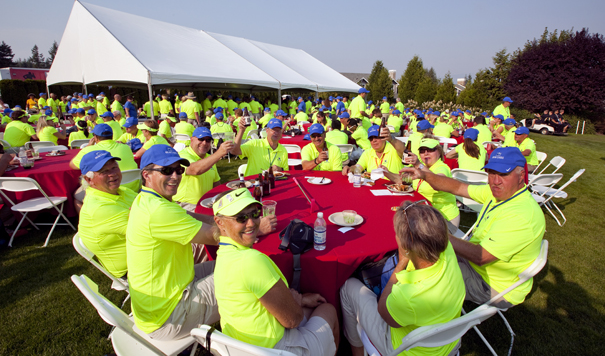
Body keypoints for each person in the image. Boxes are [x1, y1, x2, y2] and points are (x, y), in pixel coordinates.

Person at [401, 146, 545, 308]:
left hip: (492, 285)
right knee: (420, 253)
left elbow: (481, 257)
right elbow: (457, 187)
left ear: (521, 176)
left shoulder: (521, 214)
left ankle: (405, 312)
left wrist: (435, 233)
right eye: (491, 172)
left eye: (504, 174)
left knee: (423, 272)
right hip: (477, 266)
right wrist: (425, 175)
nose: (495, 181)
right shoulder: (500, 193)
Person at [213, 188, 339, 355]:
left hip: (240, 347)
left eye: (254, 213)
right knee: (328, 309)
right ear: (219, 222)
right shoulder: (252, 260)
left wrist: (298, 299)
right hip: (275, 349)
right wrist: (294, 300)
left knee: (311, 309)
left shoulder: (223, 254)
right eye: (241, 218)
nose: (251, 223)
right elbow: (293, 319)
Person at [340, 200, 465, 356]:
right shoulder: (447, 250)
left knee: (347, 286)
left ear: (406, 246)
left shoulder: (408, 296)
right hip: (448, 343)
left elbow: (384, 312)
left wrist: (401, 263)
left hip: (403, 349)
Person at [126, 145, 220, 340]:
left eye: (179, 170)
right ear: (146, 175)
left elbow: (196, 217)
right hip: (171, 316)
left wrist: (230, 219)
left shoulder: (149, 199)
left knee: (230, 263)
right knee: (248, 274)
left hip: (165, 299)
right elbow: (215, 235)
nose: (176, 176)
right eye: (166, 170)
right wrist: (253, 226)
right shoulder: (158, 210)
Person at [78, 150, 137, 278]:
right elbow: (148, 229)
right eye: (104, 171)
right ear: (89, 179)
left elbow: (155, 209)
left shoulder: (122, 191)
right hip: (133, 268)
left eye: (115, 167)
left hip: (146, 253)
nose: (113, 174)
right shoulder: (99, 208)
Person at [396, 138, 460, 226]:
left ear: (439, 151)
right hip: (425, 214)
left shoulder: (441, 167)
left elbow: (438, 182)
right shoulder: (421, 167)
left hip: (443, 219)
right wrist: (385, 172)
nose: (426, 153)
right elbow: (402, 179)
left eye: (430, 150)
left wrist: (419, 164)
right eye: (422, 151)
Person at [173, 127, 230, 210]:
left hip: (207, 203)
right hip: (186, 205)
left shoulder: (209, 158)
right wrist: (219, 153)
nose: (204, 143)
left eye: (208, 140)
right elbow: (194, 170)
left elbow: (216, 183)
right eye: (201, 139)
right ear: (192, 140)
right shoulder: (182, 155)